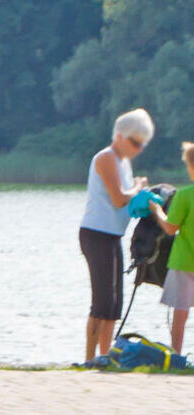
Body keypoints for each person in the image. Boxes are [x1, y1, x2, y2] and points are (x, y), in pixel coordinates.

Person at [81, 108, 155, 364]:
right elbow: (119, 197)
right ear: (121, 136)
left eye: (142, 144)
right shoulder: (106, 158)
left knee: (114, 304)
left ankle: (105, 357)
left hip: (113, 234)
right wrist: (138, 187)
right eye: (135, 142)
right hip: (96, 233)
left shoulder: (123, 162)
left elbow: (127, 201)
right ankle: (90, 358)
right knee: (101, 302)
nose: (138, 148)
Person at [147, 142, 194, 353]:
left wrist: (157, 210)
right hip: (184, 262)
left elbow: (169, 228)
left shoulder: (184, 195)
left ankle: (176, 355)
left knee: (180, 312)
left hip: (184, 261)